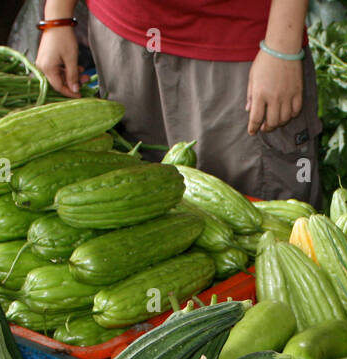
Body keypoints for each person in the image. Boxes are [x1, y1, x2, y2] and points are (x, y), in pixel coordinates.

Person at [35, 1, 323, 207]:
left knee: (265, 227)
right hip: (119, 36)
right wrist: (57, 15)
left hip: (234, 43)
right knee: (144, 210)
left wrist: (282, 46)